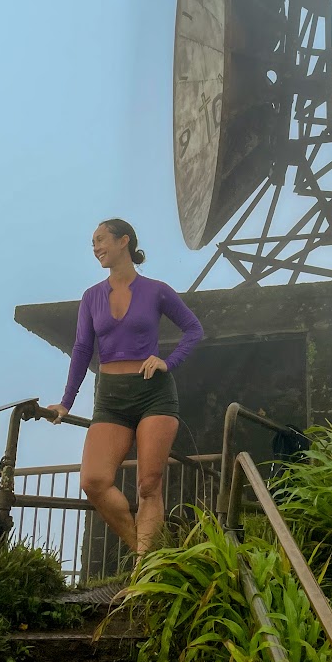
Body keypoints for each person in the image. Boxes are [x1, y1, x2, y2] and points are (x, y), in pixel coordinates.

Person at [48, 218, 203, 565]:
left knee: (149, 484)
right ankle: (148, 557)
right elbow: (82, 349)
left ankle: (142, 574)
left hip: (153, 394)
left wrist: (168, 362)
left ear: (124, 241)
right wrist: (66, 403)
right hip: (111, 398)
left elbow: (193, 329)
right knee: (94, 481)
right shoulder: (91, 297)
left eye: (101, 240)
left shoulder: (157, 290)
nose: (95, 248)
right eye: (92, 243)